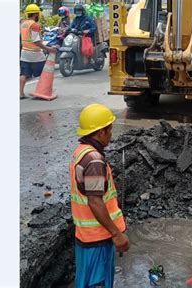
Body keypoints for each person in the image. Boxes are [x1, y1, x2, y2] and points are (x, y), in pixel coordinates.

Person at [70, 103, 130, 288]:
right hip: (97, 238)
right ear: (100, 132)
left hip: (87, 237)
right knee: (98, 283)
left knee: (86, 280)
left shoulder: (81, 152)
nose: (111, 134)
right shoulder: (94, 161)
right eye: (109, 129)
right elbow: (95, 202)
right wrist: (116, 233)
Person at [20, 4, 57, 99]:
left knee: (24, 74)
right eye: (38, 14)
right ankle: (45, 91)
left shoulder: (23, 23)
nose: (38, 16)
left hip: (24, 53)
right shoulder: (34, 25)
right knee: (45, 72)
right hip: (35, 53)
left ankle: (21, 93)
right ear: (36, 14)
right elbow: (36, 41)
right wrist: (48, 49)